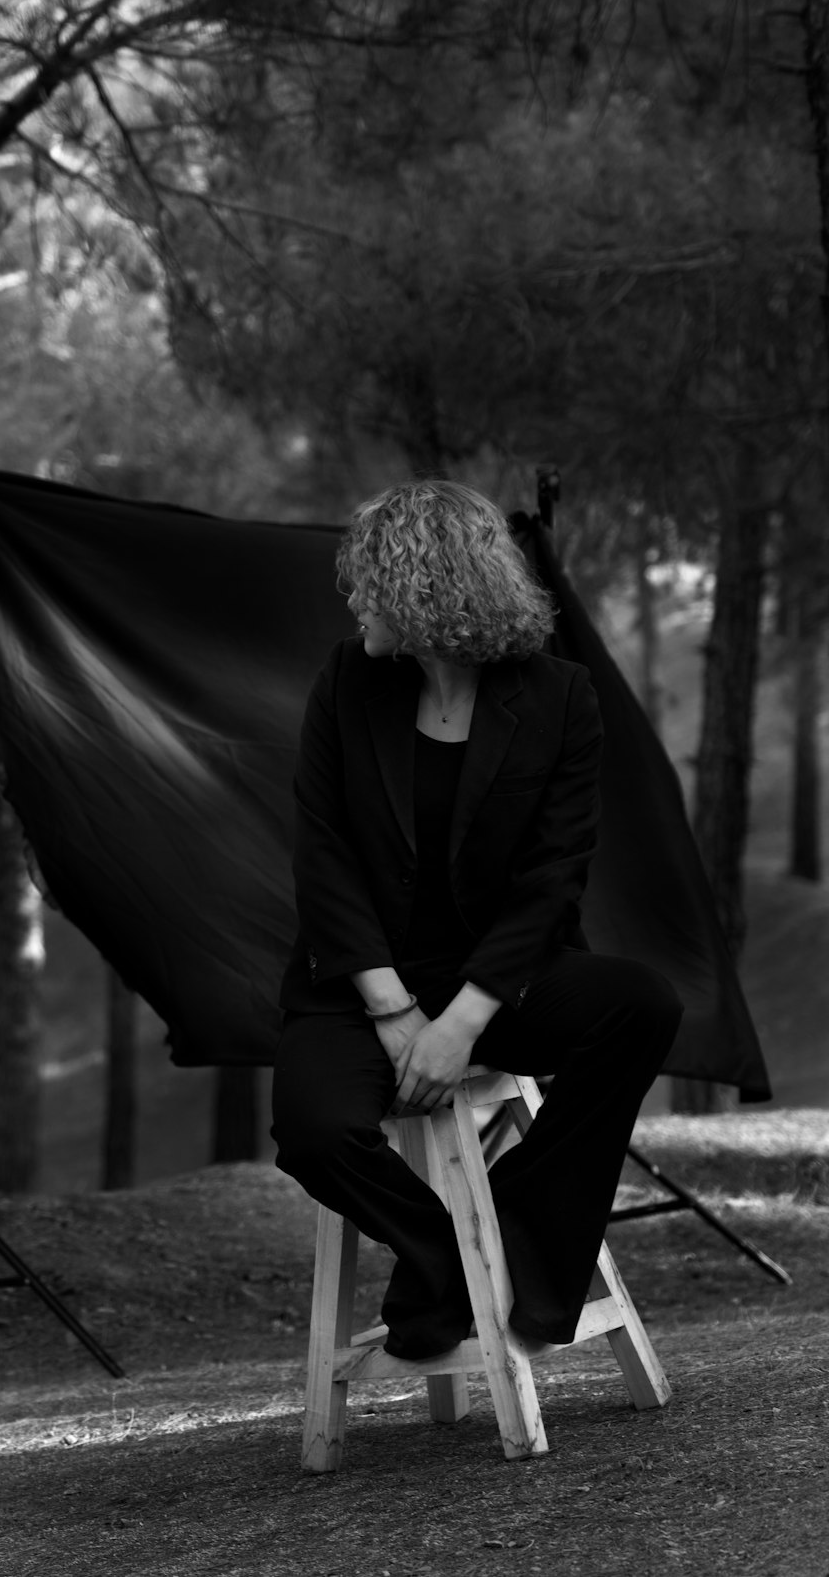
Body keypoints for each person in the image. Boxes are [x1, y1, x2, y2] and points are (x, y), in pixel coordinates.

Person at [272, 479, 682, 1361]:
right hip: (360, 980)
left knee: (641, 1005)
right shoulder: (348, 681)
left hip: (499, 980)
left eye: (368, 579)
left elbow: (552, 882)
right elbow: (324, 856)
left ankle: (517, 1225)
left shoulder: (560, 698)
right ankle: (452, 1260)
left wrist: (462, 1022)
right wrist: (394, 1014)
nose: (353, 600)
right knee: (313, 1131)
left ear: (426, 589)